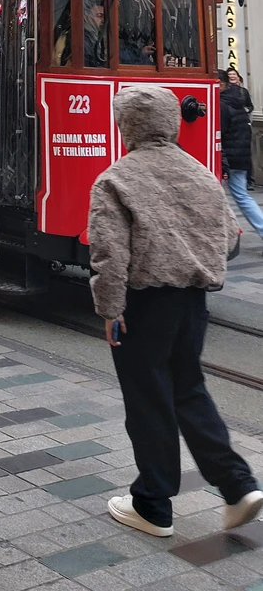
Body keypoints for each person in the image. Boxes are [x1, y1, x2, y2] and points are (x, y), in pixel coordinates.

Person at [88, 83, 263, 537]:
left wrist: (110, 309)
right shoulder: (200, 173)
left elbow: (110, 255)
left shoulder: (116, 179)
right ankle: (238, 485)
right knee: (188, 388)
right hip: (193, 301)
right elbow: (228, 238)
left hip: (143, 303)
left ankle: (153, 503)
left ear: (126, 125)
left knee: (146, 397)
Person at [218, 69, 263, 247]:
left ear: (221, 85)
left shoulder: (222, 104)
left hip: (229, 157)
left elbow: (219, 133)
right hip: (241, 155)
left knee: (235, 196)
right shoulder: (237, 98)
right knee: (242, 196)